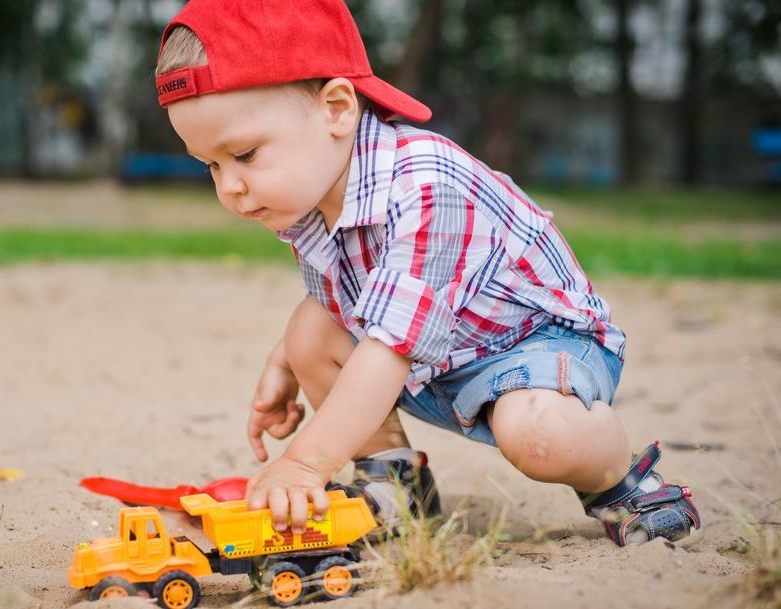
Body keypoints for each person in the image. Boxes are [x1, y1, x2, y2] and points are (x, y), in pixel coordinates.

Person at [153, 0, 700, 547]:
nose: (230, 187)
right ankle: (395, 481)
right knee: (308, 325)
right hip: (438, 357)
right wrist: (290, 360)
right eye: (212, 166)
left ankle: (624, 485)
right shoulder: (309, 199)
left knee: (540, 435)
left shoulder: (426, 185)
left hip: (536, 351)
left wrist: (303, 464)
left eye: (244, 154)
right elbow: (343, 302)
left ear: (338, 109)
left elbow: (390, 346)